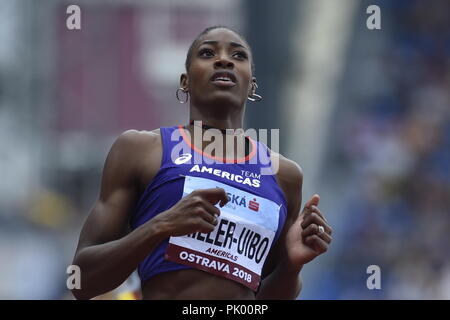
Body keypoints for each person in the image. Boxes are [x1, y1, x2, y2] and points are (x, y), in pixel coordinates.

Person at [71, 26, 333, 300]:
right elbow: (81, 281)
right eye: (208, 53)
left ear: (251, 85)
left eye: (238, 56)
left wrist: (291, 267)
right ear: (185, 81)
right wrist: (160, 226)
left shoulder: (284, 176)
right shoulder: (141, 150)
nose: (224, 60)